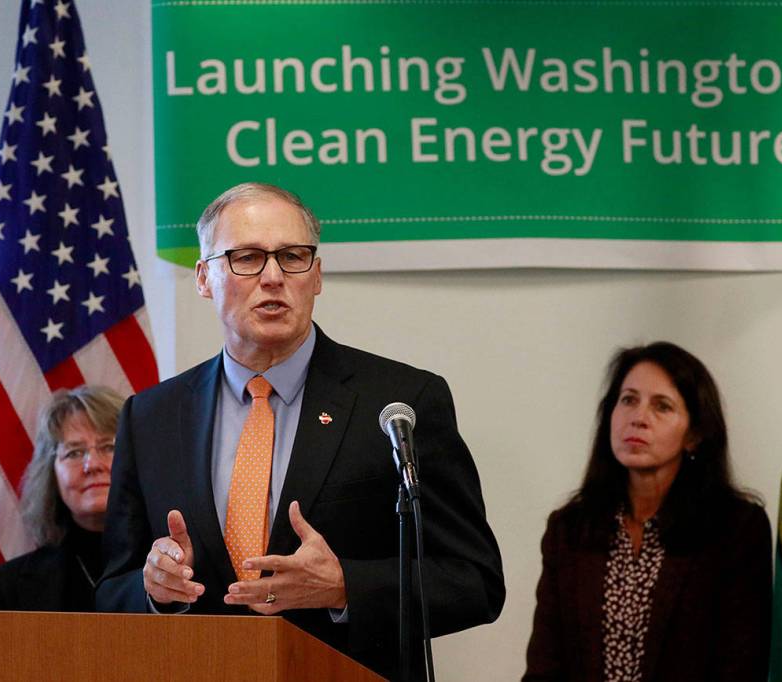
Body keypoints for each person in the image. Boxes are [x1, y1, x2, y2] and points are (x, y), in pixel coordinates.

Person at [97, 182, 504, 680]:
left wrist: (344, 586)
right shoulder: (150, 417)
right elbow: (111, 588)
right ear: (204, 278)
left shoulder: (400, 402)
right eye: (247, 258)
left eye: (292, 257)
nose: (273, 277)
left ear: (317, 276)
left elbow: (474, 581)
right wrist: (153, 589)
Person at [523, 342, 771, 682]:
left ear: (694, 434)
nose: (638, 418)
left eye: (662, 406)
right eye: (628, 400)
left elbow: (740, 666)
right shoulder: (569, 528)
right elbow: (544, 667)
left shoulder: (736, 528)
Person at [0, 385, 123, 612]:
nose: (92, 465)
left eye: (108, 447)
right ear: (51, 474)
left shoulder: (174, 572)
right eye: (74, 452)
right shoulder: (6, 588)